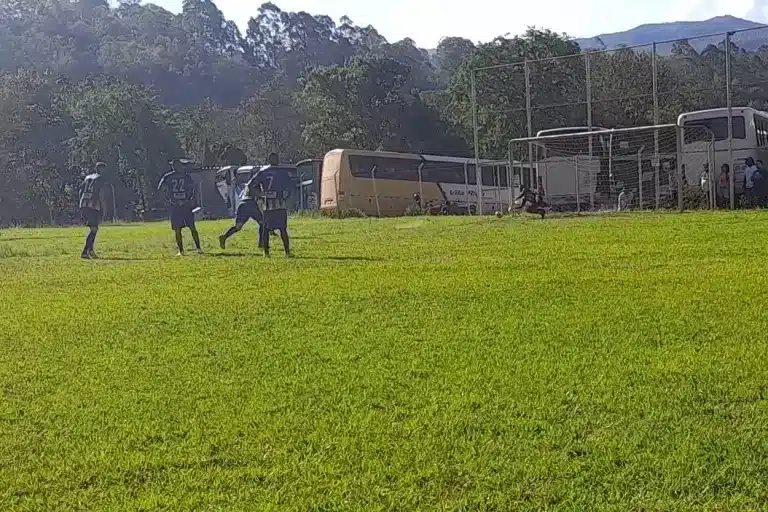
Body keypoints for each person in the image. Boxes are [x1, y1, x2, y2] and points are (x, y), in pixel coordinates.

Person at [250, 152, 293, 257]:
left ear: (269, 160)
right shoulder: (282, 172)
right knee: (282, 228)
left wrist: (259, 194)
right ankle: (287, 252)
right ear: (277, 160)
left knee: (266, 228)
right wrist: (286, 196)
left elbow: (251, 185)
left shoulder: (262, 172)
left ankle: (266, 252)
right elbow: (290, 186)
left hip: (267, 204)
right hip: (279, 203)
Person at [158, 160, 203, 256]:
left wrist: (166, 201)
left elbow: (160, 188)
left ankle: (181, 251)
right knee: (192, 227)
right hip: (185, 204)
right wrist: (192, 199)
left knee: (178, 229)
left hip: (175, 205)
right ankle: (198, 248)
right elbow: (195, 187)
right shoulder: (186, 176)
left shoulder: (168, 177)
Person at [218, 169, 264, 250]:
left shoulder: (250, 182)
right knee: (262, 223)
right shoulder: (255, 182)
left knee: (238, 227)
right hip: (251, 204)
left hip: (243, 205)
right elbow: (256, 194)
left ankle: (224, 237)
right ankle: (261, 243)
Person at [79, 162, 107, 259]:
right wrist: (104, 208)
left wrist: (81, 204)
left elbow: (80, 191)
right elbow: (101, 194)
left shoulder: (87, 177)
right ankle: (85, 252)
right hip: (93, 204)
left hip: (84, 203)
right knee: (94, 229)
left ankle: (90, 250)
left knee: (94, 228)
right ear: (101, 169)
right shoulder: (100, 179)